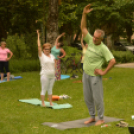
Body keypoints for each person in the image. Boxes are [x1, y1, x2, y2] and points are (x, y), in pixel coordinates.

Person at [81, 4, 116, 126]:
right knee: (87, 97)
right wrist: (84, 14)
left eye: (96, 38)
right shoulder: (90, 40)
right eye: (94, 37)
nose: (94, 39)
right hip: (85, 73)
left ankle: (101, 118)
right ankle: (92, 117)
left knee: (98, 98)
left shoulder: (103, 48)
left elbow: (112, 61)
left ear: (101, 38)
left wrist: (104, 72)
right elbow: (83, 28)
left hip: (95, 76)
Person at [37, 30, 55, 107]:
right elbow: (38, 47)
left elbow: (54, 64)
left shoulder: (52, 56)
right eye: (46, 49)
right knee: (44, 89)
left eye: (48, 49)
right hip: (45, 76)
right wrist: (38, 36)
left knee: (50, 89)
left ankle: (50, 102)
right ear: (43, 49)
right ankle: (43, 102)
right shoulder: (42, 56)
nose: (47, 50)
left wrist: (55, 71)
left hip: (52, 76)